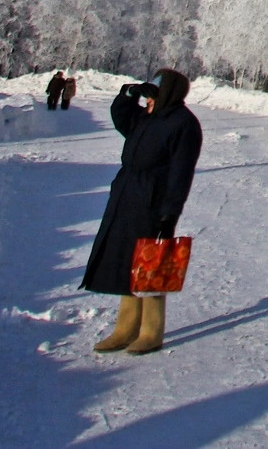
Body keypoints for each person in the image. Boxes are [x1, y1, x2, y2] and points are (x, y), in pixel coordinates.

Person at [84, 69, 204, 355]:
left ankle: (151, 331)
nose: (149, 98)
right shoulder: (147, 118)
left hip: (154, 199)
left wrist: (169, 214)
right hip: (127, 194)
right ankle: (125, 329)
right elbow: (121, 116)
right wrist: (129, 93)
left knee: (150, 265)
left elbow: (181, 172)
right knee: (126, 260)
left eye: (154, 93)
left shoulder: (183, 124)